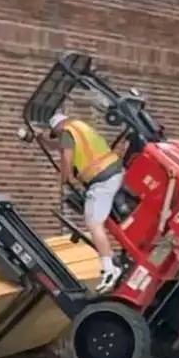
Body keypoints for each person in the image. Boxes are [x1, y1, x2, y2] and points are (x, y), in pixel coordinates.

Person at [47, 111, 124, 293]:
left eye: (56, 133)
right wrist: (42, 139)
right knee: (105, 220)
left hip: (101, 179)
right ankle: (112, 258)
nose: (58, 137)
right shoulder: (80, 127)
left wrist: (65, 179)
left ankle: (109, 269)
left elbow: (66, 156)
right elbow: (60, 145)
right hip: (114, 172)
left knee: (94, 223)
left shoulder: (66, 132)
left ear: (58, 127)